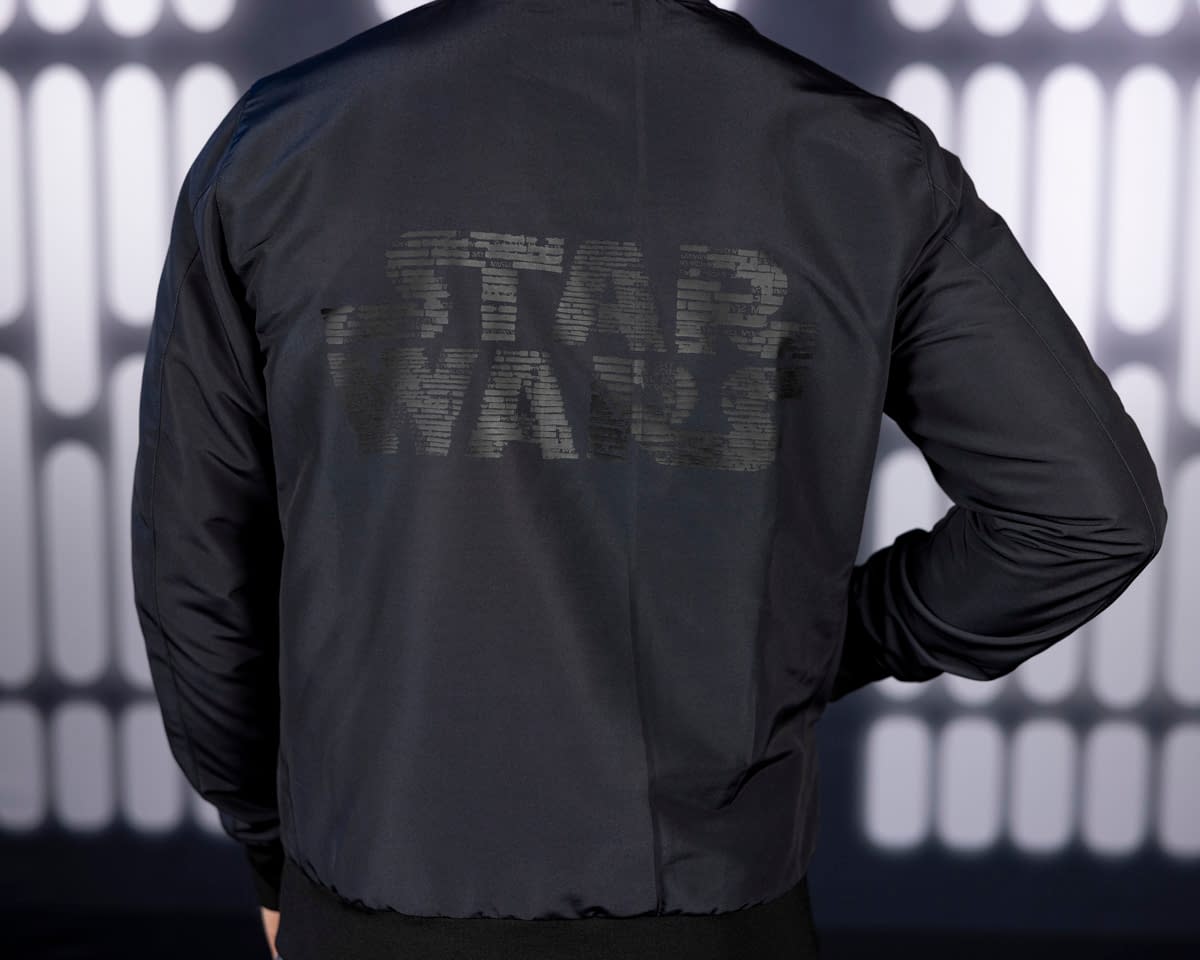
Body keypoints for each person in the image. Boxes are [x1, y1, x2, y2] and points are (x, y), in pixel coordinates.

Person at [129, 1, 1168, 958]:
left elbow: (195, 571)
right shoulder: (859, 160)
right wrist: (821, 641)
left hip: (370, 895)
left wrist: (266, 846)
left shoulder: (283, 144)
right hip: (715, 916)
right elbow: (1087, 513)